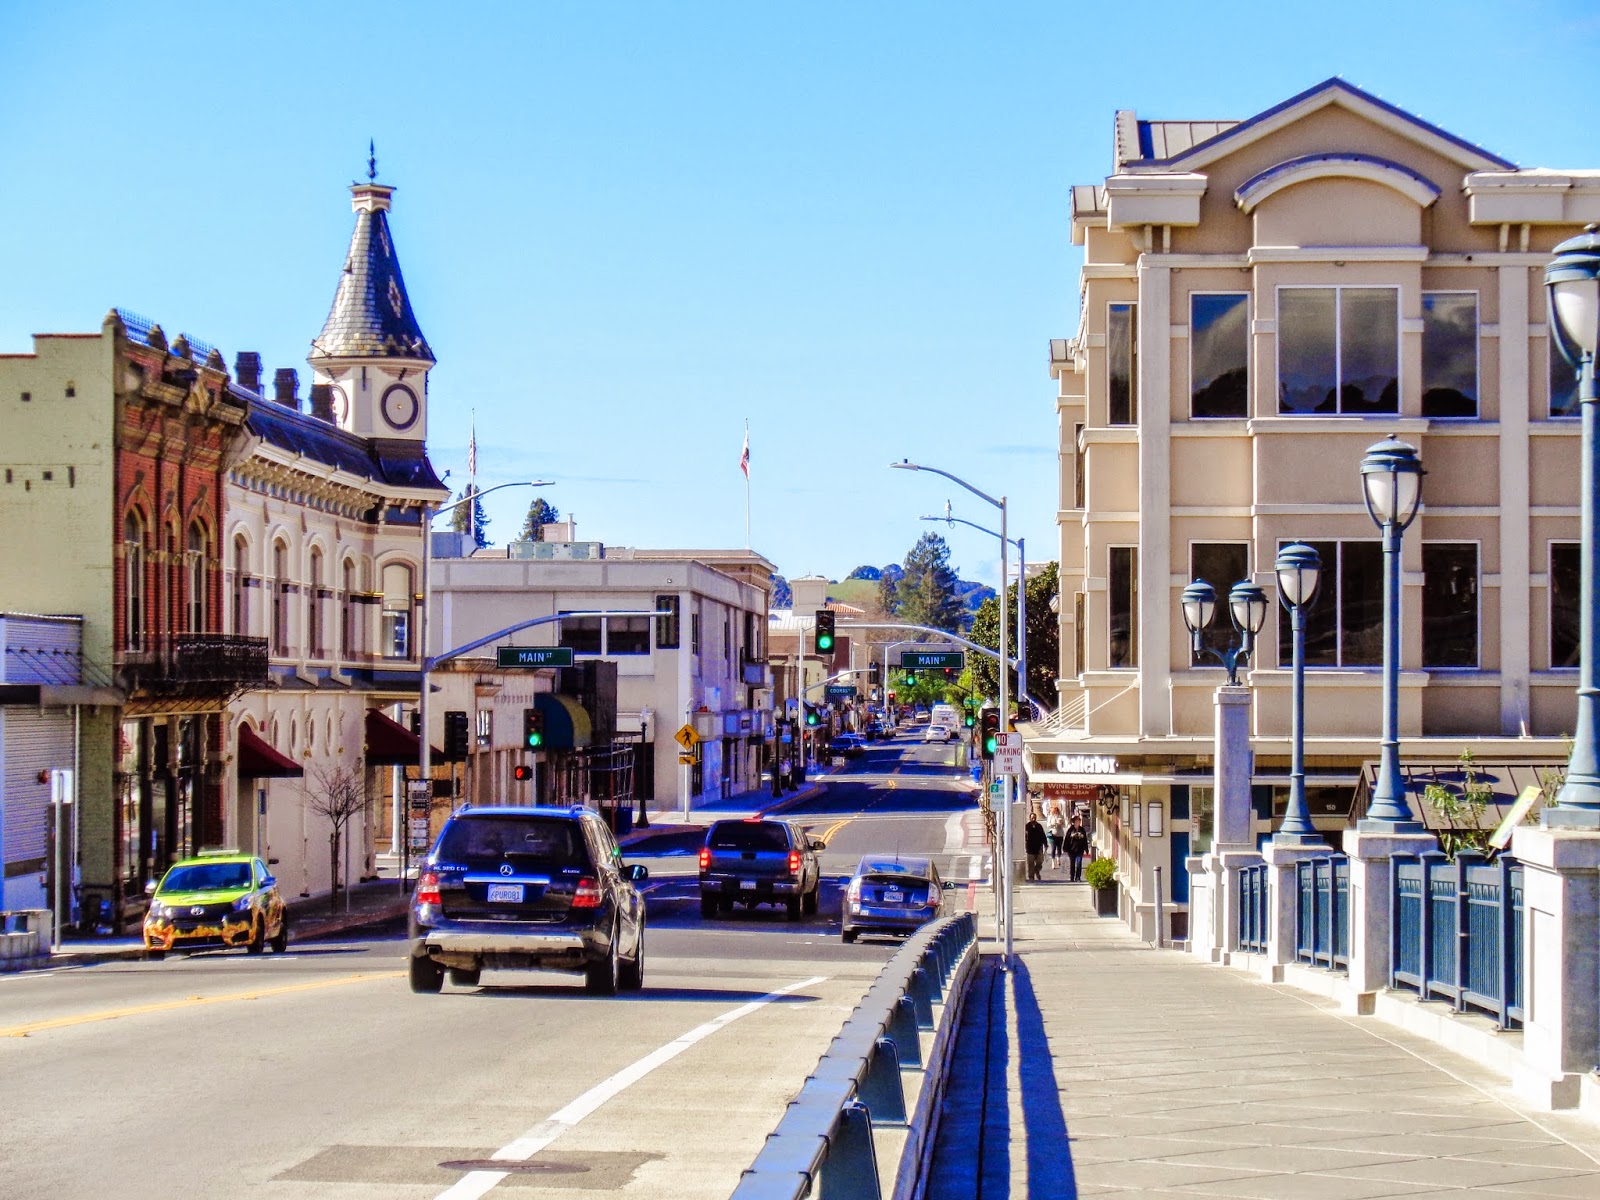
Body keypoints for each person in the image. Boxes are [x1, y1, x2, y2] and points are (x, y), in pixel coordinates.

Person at [1023, 810, 1048, 882]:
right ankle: (1031, 877)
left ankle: (1037, 870)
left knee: (1040, 862)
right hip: (1030, 848)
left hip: (1038, 848)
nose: (1033, 819)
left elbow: (1043, 835)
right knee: (1030, 864)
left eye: (1034, 818)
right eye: (1032, 818)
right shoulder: (1027, 826)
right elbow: (1024, 836)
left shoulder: (1039, 826)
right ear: (1030, 818)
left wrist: (1045, 844)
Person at [1064, 817, 1089, 883]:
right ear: (1074, 822)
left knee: (1079, 863)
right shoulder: (1071, 829)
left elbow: (1085, 839)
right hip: (1071, 850)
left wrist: (1086, 849)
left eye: (1079, 821)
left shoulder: (1082, 829)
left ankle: (1078, 877)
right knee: (1072, 863)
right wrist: (1065, 848)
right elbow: (1067, 839)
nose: (1078, 822)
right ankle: (1072, 877)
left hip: (1079, 850)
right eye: (1077, 821)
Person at [1045, 804, 1067, 869]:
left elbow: (1064, 825)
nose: (1055, 812)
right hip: (1052, 834)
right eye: (1054, 811)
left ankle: (1058, 858)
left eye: (1056, 810)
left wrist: (1060, 824)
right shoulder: (1050, 817)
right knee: (1053, 848)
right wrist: (1053, 824)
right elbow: (1048, 825)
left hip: (1060, 834)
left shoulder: (1061, 816)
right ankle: (1053, 862)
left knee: (1059, 848)